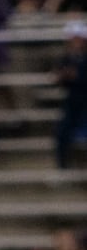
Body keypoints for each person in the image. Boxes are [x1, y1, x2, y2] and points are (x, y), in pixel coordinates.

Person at [54, 21, 87, 169]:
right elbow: (60, 80)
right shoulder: (67, 58)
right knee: (61, 134)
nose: (75, 42)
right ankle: (63, 168)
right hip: (73, 102)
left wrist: (76, 76)